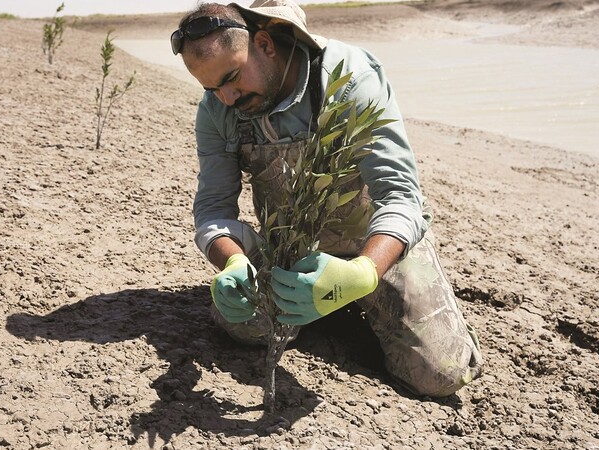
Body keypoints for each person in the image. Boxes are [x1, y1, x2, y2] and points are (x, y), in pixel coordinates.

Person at [172, 0, 483, 397]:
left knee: (440, 375)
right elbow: (213, 209)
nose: (227, 99)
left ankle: (360, 296)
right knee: (245, 329)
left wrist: (362, 274)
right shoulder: (217, 109)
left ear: (264, 45)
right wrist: (231, 261)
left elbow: (401, 196)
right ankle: (318, 304)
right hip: (290, 254)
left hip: (375, 247)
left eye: (232, 77)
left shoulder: (349, 77)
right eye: (212, 88)